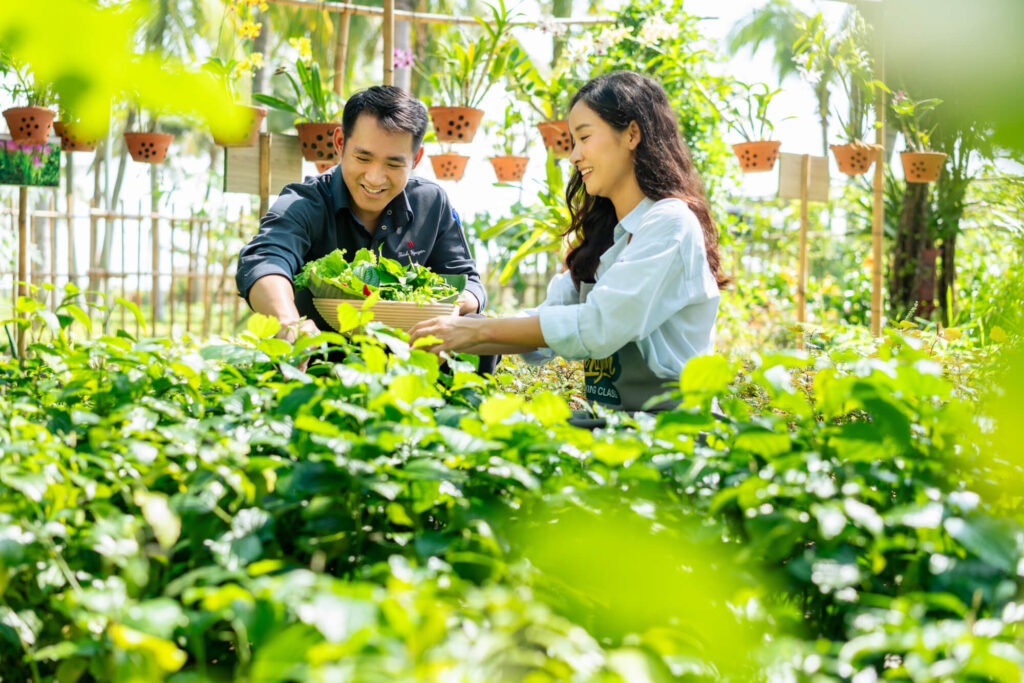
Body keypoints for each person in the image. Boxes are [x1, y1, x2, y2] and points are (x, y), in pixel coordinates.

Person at [409, 71, 729, 413]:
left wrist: (473, 331)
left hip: (672, 439)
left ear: (632, 134)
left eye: (584, 138)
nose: (574, 156)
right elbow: (547, 321)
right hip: (617, 429)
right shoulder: (609, 239)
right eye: (572, 142)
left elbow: (597, 325)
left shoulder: (670, 224)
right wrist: (446, 328)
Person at [236, 85, 488, 350]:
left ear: (416, 159)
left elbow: (467, 280)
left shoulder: (431, 203)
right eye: (363, 158)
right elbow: (265, 259)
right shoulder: (303, 203)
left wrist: (443, 309)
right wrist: (290, 324)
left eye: (393, 164)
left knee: (475, 326)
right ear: (340, 143)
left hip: (412, 353)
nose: (374, 178)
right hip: (321, 355)